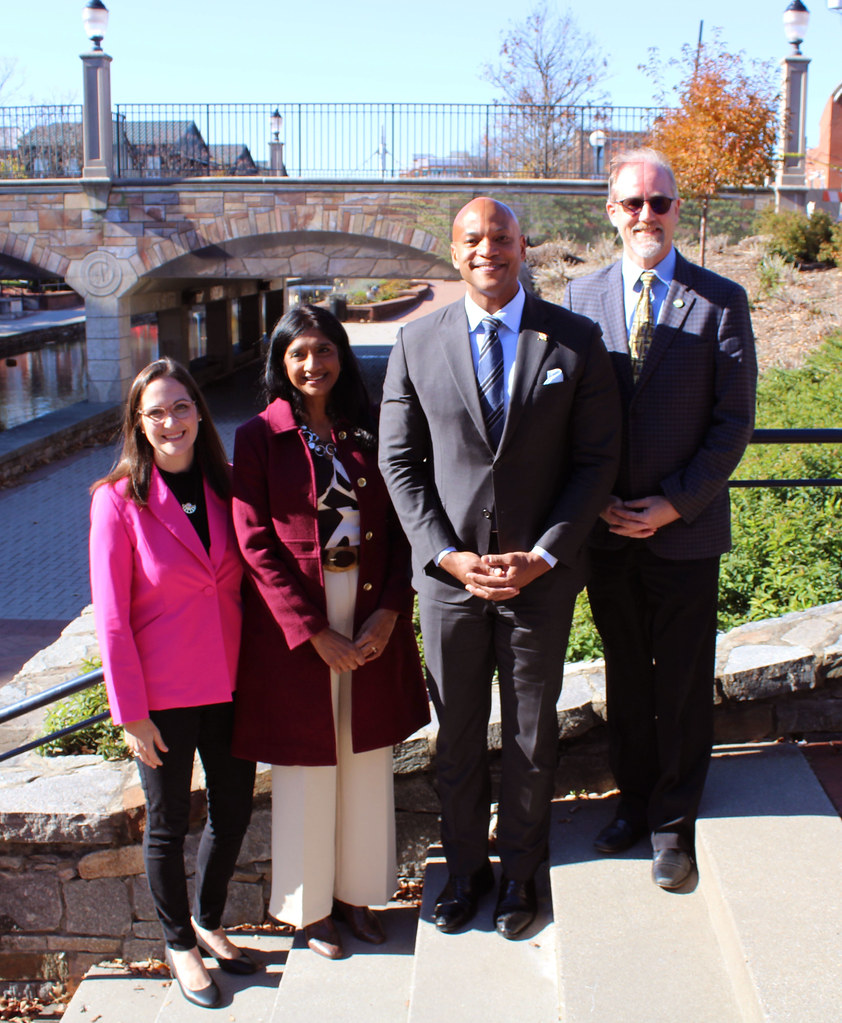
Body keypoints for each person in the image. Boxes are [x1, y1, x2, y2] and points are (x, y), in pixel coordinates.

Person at [378, 198, 620, 939]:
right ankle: (465, 870)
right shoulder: (416, 342)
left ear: (523, 246)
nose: (490, 250)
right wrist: (446, 554)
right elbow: (400, 461)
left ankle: (520, 871)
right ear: (455, 252)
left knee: (527, 733)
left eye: (503, 238)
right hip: (450, 584)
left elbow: (595, 460)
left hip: (537, 583)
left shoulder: (575, 341)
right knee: (454, 737)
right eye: (474, 240)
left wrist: (545, 554)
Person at [563, 148, 757, 889]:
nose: (647, 214)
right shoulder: (579, 300)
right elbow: (568, 416)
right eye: (633, 202)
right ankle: (633, 801)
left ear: (677, 209)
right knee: (625, 676)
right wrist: (597, 502)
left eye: (660, 202)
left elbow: (733, 421)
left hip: (686, 531)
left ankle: (674, 824)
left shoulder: (720, 299)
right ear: (611, 211)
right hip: (607, 532)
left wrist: (673, 502)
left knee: (678, 680)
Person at [231, 304, 429, 961]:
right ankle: (310, 910)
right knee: (308, 765)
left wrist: (390, 611)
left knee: (365, 759)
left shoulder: (366, 430)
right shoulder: (259, 436)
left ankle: (359, 894)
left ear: (341, 356)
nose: (313, 365)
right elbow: (254, 543)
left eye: (324, 351)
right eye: (299, 354)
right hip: (302, 624)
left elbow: (405, 526)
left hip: (369, 608)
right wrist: (313, 631)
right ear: (281, 364)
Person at [89, 358, 258, 1010]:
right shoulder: (117, 500)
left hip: (232, 681)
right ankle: (177, 940)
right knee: (166, 824)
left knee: (235, 808)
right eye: (155, 411)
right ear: (138, 420)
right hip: (160, 694)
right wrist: (129, 711)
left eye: (181, 407)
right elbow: (110, 616)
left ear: (198, 413)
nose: (170, 421)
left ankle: (209, 918)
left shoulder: (227, 484)